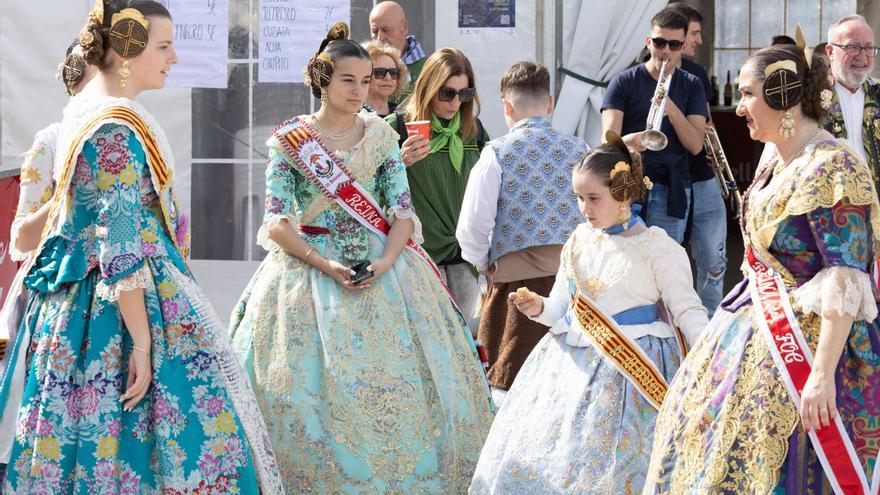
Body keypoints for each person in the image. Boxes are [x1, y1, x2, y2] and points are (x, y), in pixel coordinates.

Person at [0, 2, 283, 493]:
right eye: (164, 46)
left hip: (86, 305)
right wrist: (145, 342)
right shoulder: (113, 127)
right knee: (159, 439)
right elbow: (121, 244)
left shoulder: (93, 117)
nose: (174, 58)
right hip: (119, 311)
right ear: (127, 50)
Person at [228, 23, 494, 493]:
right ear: (322, 80)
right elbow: (275, 221)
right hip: (306, 272)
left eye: (367, 79)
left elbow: (403, 214)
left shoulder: (380, 137)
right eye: (349, 79)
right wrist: (323, 262)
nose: (361, 89)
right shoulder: (291, 142)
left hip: (386, 269)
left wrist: (387, 262)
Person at [644, 43, 880, 494]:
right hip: (754, 331)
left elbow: (846, 279)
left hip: (815, 353)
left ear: (783, 95)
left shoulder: (834, 167)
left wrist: (821, 377)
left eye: (749, 94)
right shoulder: (777, 161)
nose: (739, 108)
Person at [468, 133, 707, 494]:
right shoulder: (578, 240)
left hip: (634, 373)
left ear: (625, 192)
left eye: (594, 198)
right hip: (569, 367)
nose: (584, 208)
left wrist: (714, 351)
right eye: (579, 198)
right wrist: (539, 307)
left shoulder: (660, 248)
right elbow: (561, 307)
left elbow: (687, 309)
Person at [456, 61, 587, 406]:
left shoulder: (496, 153)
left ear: (506, 106)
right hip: (574, 286)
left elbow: (471, 228)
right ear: (551, 103)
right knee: (567, 389)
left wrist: (487, 264)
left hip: (516, 289)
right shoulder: (581, 150)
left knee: (508, 391)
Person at [0, 37, 97, 476]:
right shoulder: (53, 142)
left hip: (128, 283)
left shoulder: (140, 136)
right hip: (59, 288)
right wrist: (67, 199)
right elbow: (20, 238)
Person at [386, 48, 488, 332]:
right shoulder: (396, 128)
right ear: (428, 88)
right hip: (417, 255)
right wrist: (399, 162)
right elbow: (369, 187)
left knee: (461, 337)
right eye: (447, 93)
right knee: (425, 341)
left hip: (463, 255)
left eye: (464, 94)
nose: (456, 102)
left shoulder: (473, 131)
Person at [601, 9, 708, 245]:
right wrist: (628, 142)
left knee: (664, 265)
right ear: (648, 42)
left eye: (674, 44)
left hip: (671, 188)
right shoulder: (623, 81)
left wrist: (671, 109)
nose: (666, 51)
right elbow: (608, 143)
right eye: (660, 43)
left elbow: (695, 145)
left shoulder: (692, 85)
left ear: (683, 46)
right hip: (629, 188)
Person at [668, 3, 727, 316]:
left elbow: (705, 126)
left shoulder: (697, 73)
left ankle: (711, 325)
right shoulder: (637, 76)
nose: (699, 41)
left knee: (713, 261)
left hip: (703, 178)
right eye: (694, 34)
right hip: (667, 182)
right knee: (668, 261)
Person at [824, 15, 880, 190]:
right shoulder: (808, 97)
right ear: (830, 52)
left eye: (869, 48)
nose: (862, 56)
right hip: (828, 208)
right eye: (853, 47)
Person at [369, 0, 426, 102]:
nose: (380, 37)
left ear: (404, 27)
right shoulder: (364, 66)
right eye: (375, 31)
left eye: (386, 30)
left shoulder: (427, 69)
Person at [361, 40, 408, 117]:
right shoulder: (352, 113)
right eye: (380, 72)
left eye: (393, 73)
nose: (388, 78)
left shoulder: (403, 115)